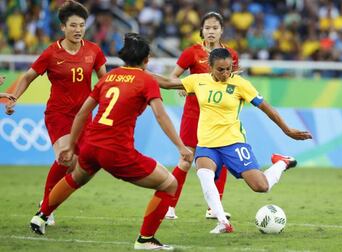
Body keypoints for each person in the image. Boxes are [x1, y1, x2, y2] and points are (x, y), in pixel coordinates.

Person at [29, 33, 193, 250]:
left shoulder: (109, 77)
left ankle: (41, 216)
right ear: (147, 60)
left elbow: (82, 113)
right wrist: (181, 146)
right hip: (116, 151)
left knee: (77, 177)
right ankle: (145, 240)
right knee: (169, 184)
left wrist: (71, 145)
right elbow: (161, 115)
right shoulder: (147, 80)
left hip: (91, 146)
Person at [153, 48, 312, 233]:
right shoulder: (198, 81)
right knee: (204, 174)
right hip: (206, 144)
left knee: (261, 187)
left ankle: (282, 163)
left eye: (229, 69)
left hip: (233, 143)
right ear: (210, 67)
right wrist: (136, 71)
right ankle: (223, 222)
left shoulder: (240, 84)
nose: (226, 73)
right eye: (221, 69)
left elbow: (266, 108)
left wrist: (287, 129)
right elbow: (165, 82)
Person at [5, 0, 107, 225]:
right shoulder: (51, 53)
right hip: (58, 114)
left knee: (80, 166)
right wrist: (14, 97)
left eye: (81, 25)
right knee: (65, 157)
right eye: (73, 25)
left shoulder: (94, 51)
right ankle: (45, 209)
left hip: (84, 116)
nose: (78, 29)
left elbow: (104, 83)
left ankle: (48, 205)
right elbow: (28, 76)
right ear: (63, 27)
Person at [165, 11, 239, 220]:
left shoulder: (231, 54)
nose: (211, 31)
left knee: (221, 159)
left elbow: (235, 80)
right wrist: (181, 86)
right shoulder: (191, 53)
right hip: (194, 113)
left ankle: (214, 208)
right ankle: (169, 207)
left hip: (218, 115)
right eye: (207, 28)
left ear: (221, 30)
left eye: (215, 28)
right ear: (202, 30)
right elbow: (173, 76)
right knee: (186, 159)